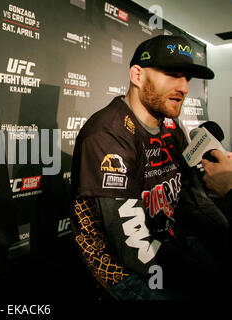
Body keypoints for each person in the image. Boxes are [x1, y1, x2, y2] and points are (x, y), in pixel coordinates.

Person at [70, 35, 231, 300]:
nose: (184, 87)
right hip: (120, 268)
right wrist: (206, 281)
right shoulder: (107, 135)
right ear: (137, 75)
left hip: (167, 241)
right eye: (172, 74)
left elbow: (194, 201)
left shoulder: (170, 126)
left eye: (187, 78)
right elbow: (132, 248)